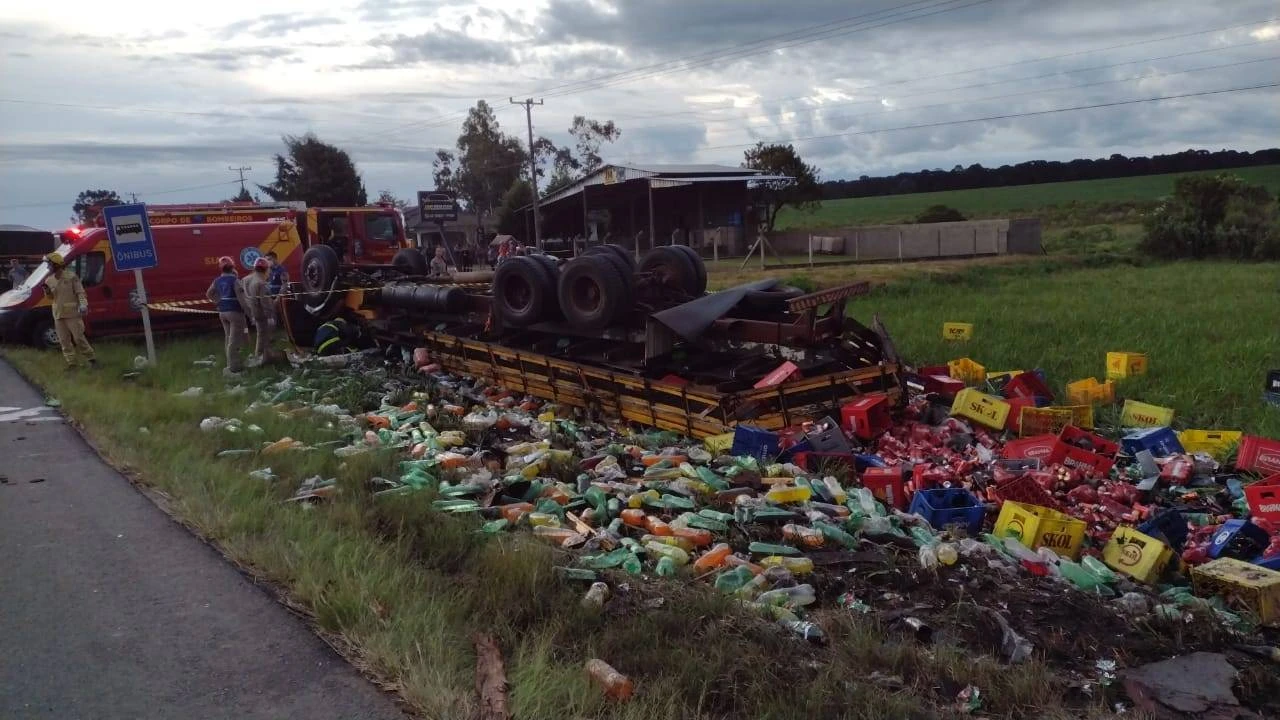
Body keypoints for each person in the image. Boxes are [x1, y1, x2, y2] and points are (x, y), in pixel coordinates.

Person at [42, 252, 96, 369]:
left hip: (72, 314)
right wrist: (47, 291)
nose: (48, 267)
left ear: (56, 264)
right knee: (64, 341)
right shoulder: (49, 280)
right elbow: (51, 297)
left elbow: (80, 293)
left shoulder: (71, 277)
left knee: (78, 338)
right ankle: (72, 363)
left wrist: (83, 304)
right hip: (58, 314)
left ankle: (92, 359)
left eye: (49, 264)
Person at [206, 256, 250, 376]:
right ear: (232, 267)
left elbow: (209, 293)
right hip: (235, 312)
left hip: (223, 312)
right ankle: (234, 368)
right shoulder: (235, 280)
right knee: (234, 340)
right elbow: (241, 300)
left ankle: (229, 364)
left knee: (228, 338)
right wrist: (249, 313)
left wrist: (219, 302)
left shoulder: (217, 280)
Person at [242, 257, 276, 367]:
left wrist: (250, 313)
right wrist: (270, 316)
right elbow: (265, 301)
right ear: (266, 269)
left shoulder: (246, 279)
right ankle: (261, 358)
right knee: (264, 335)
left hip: (252, 311)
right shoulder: (261, 283)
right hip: (261, 313)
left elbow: (244, 297)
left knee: (260, 334)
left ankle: (260, 356)